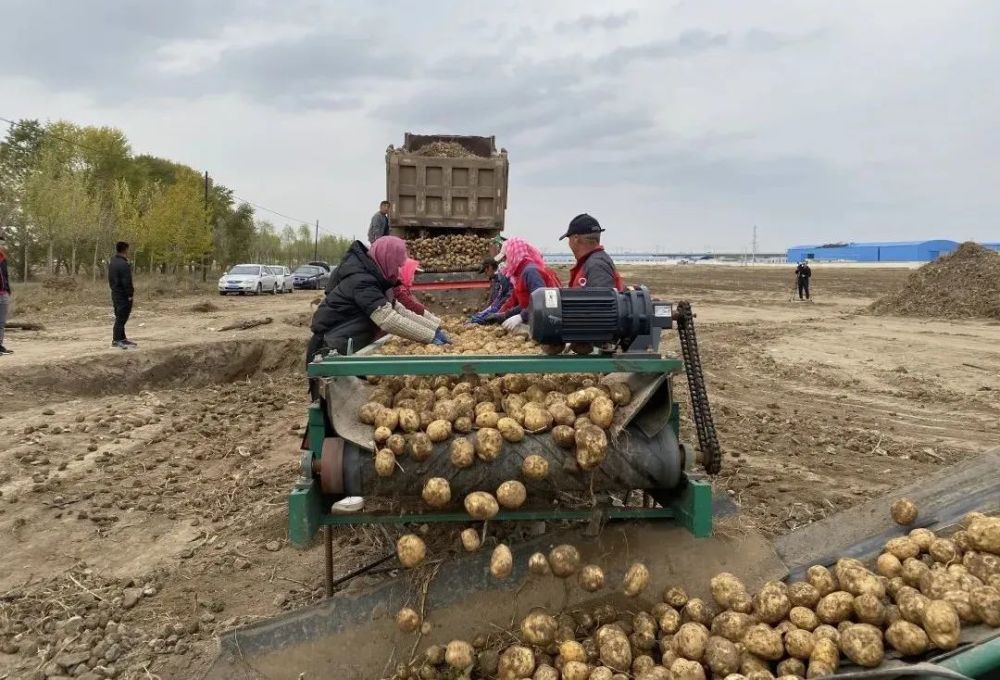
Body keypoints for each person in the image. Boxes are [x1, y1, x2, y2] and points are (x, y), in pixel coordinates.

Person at [307, 236, 447, 370]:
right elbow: (388, 319)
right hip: (332, 348)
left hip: (348, 344)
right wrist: (430, 336)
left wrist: (434, 327)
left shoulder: (379, 281)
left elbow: (400, 310)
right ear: (387, 259)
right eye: (397, 265)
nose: (399, 271)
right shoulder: (362, 281)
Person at [489, 237, 561, 332]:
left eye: (506, 258)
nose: (504, 262)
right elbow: (524, 303)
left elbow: (541, 301)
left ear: (514, 254)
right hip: (535, 318)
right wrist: (503, 315)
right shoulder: (519, 274)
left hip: (548, 321)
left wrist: (521, 316)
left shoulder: (531, 272)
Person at [562, 213, 623, 290]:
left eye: (569, 239)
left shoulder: (596, 265)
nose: (569, 243)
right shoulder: (593, 261)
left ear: (575, 239)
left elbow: (603, 300)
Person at [108, 241, 135, 349]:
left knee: (120, 316)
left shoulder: (113, 262)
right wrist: (130, 294)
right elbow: (126, 281)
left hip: (115, 293)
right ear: (125, 250)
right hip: (123, 295)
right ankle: (116, 340)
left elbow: (110, 279)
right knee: (121, 318)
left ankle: (122, 338)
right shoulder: (123, 264)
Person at [470, 257, 512, 324]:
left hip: (503, 311)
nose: (485, 274)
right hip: (498, 309)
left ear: (489, 267)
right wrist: (485, 311)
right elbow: (493, 299)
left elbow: (501, 299)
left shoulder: (501, 278)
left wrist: (489, 311)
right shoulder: (495, 279)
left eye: (485, 271)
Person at [0, 229, 12, 355]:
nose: (2, 246)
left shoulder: (3, 258)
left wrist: (8, 290)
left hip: (3, 294)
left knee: (1, 322)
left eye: (2, 243)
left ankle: (0, 345)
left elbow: (5, 276)